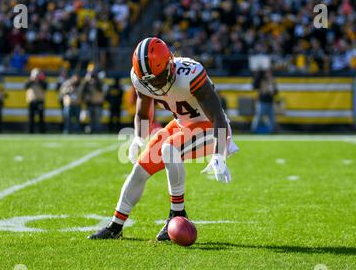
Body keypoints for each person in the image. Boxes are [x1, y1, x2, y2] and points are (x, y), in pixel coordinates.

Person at [88, 37, 239, 240]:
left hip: (212, 128)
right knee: (140, 170)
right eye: (150, 82)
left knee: (169, 148)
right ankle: (116, 226)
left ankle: (177, 214)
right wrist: (139, 139)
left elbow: (218, 116)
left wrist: (219, 155)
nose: (157, 85)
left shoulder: (190, 73)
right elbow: (143, 111)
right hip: (181, 125)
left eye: (159, 78)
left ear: (170, 63)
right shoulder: (142, 78)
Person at [250, 69, 278, 133]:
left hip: (270, 102)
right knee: (258, 117)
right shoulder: (262, 80)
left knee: (271, 118)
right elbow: (255, 86)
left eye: (270, 73)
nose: (269, 74)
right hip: (262, 102)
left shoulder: (272, 81)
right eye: (267, 73)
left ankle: (272, 131)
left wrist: (272, 91)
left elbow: (276, 92)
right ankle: (253, 130)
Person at [80, 67, 105, 133]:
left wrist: (95, 82)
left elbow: (100, 89)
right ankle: (92, 130)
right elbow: (82, 90)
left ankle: (98, 131)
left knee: (97, 119)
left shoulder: (99, 83)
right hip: (90, 103)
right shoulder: (87, 84)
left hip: (98, 104)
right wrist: (86, 80)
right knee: (91, 119)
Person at [25, 68, 48, 133]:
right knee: (31, 118)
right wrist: (31, 80)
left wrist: (40, 80)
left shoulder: (42, 81)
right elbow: (25, 86)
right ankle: (30, 131)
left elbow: (46, 87)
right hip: (31, 101)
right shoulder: (29, 81)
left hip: (40, 100)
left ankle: (42, 131)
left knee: (41, 118)